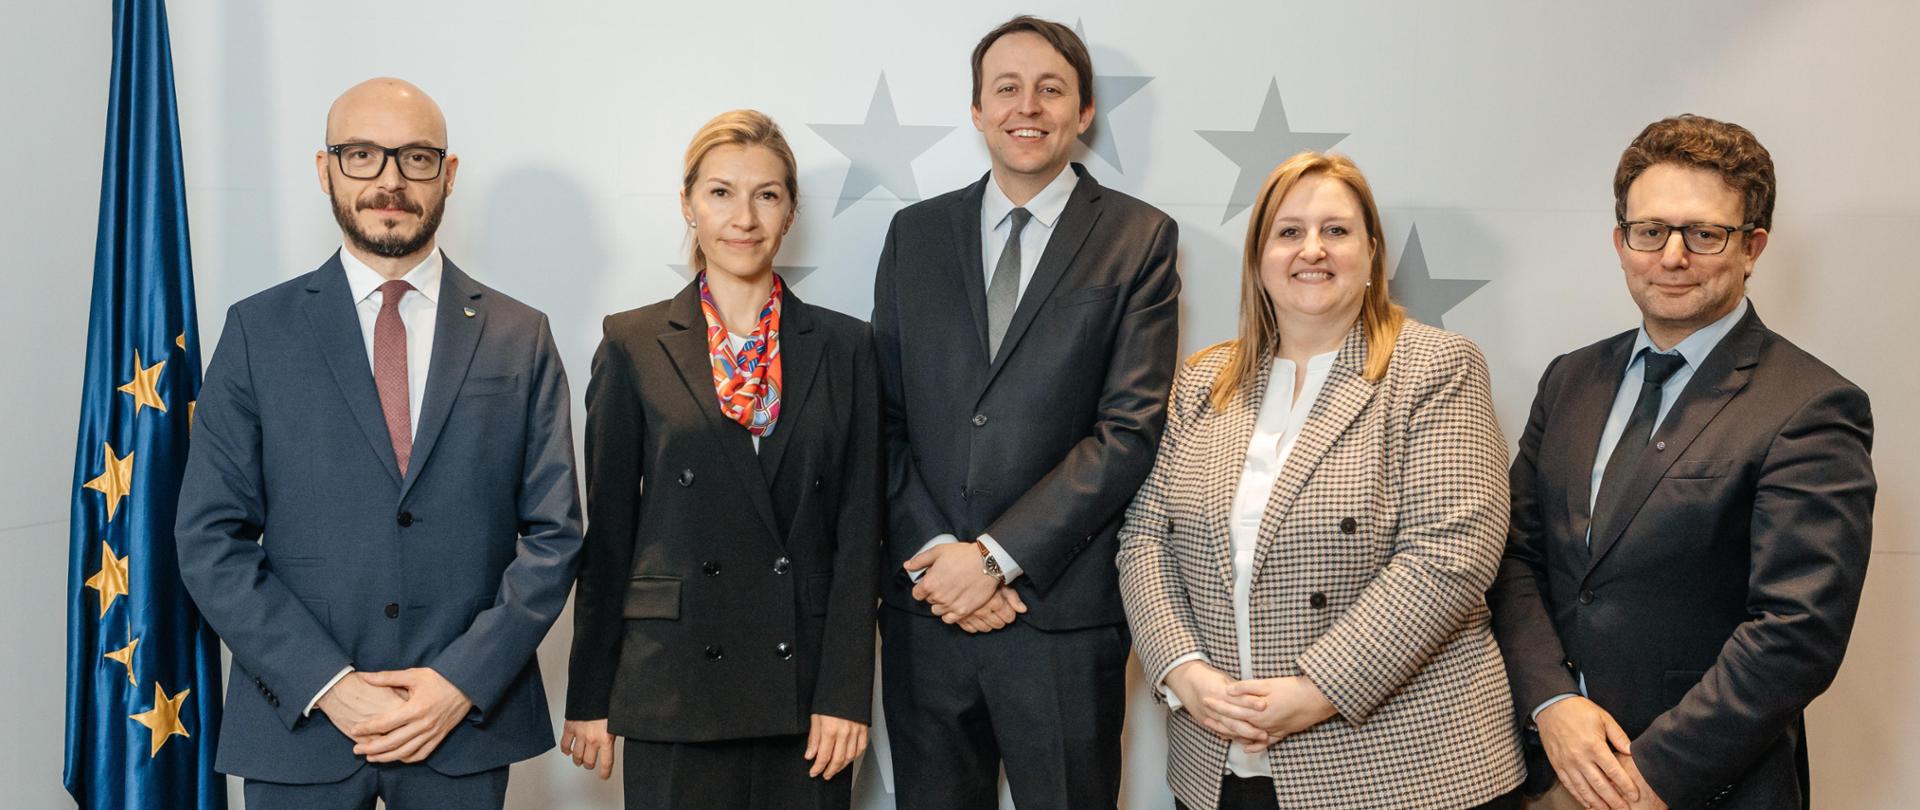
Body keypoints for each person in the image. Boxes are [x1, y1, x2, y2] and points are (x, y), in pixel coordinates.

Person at [174, 78, 582, 809]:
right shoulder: (256, 332)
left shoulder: (521, 335)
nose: (389, 180)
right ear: (325, 169)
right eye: (362, 155)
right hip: (299, 725)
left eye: (415, 158)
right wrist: (329, 685)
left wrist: (461, 682)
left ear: (448, 174)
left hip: (463, 728)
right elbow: (209, 538)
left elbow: (554, 536)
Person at [1489, 115, 1875, 810]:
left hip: (1701, 789)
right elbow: (1516, 558)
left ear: (1752, 246)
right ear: (1621, 241)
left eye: (1704, 234)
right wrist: (1551, 703)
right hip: (1544, 769)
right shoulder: (1569, 380)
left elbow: (1797, 633)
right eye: (1650, 231)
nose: (1672, 257)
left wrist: (1642, 782)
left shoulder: (1812, 404)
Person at [1117, 151, 1525, 810]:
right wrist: (1181, 669)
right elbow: (1144, 539)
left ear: (1371, 252)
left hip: (1403, 770)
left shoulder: (1436, 367)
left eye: (1335, 230)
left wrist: (1318, 691)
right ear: (1258, 259)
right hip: (1219, 759)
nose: (1313, 249)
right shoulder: (1202, 381)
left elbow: (1451, 555)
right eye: (1288, 232)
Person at [871, 14, 1180, 809]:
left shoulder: (1138, 237)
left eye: (1051, 90)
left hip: (1060, 622)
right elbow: (884, 420)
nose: (1027, 107)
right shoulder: (914, 235)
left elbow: (1128, 430)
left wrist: (994, 559)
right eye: (1005, 88)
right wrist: (944, 558)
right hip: (927, 617)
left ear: (1083, 113)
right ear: (977, 110)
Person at [559, 109, 882, 810]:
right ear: (688, 204)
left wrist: (847, 694)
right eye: (720, 193)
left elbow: (860, 538)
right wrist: (589, 696)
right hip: (673, 684)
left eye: (767, 194)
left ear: (791, 210)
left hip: (803, 695)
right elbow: (609, 537)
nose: (744, 217)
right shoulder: (633, 343)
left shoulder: (847, 347)